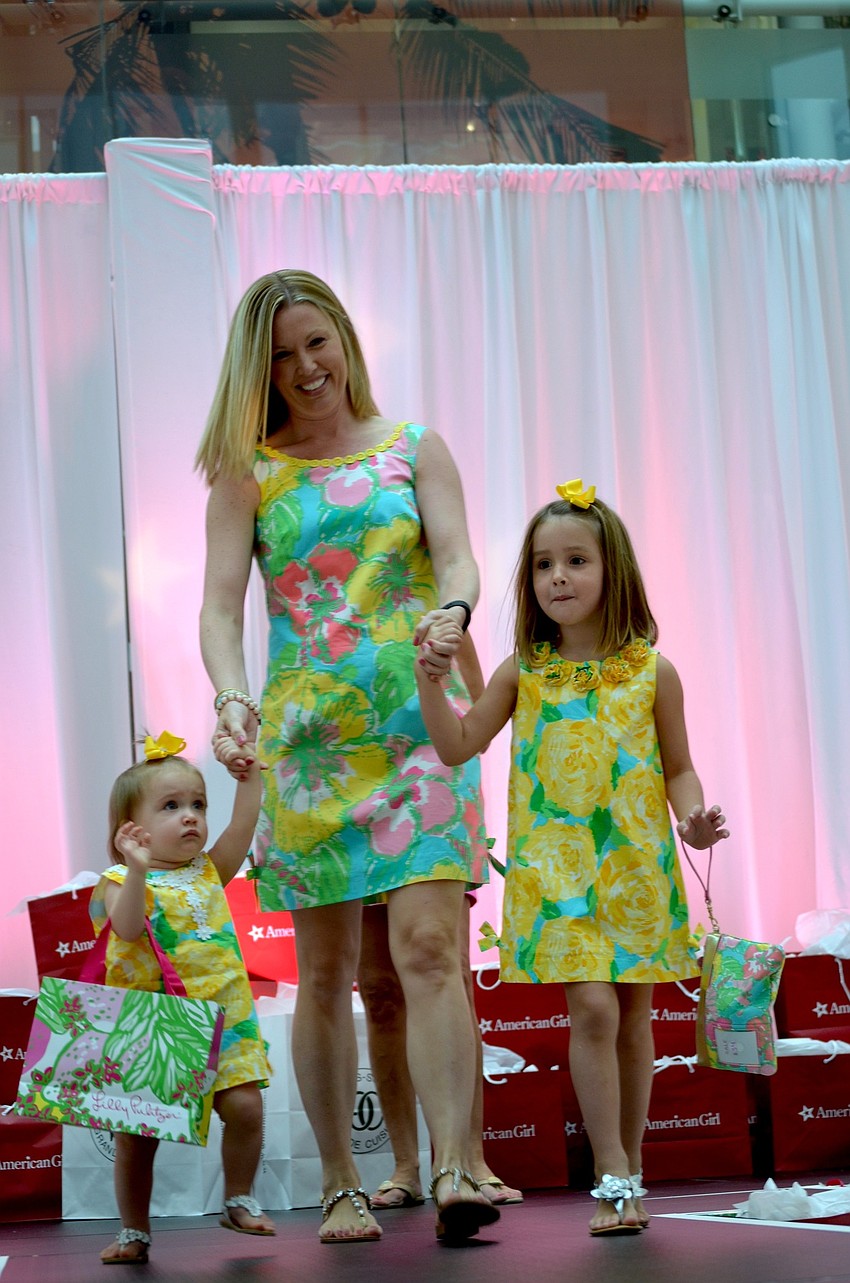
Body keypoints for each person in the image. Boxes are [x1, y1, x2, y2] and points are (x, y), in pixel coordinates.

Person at [195, 269, 499, 1245]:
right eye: (281, 356)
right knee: (323, 973)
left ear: (345, 341)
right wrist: (233, 696)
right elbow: (216, 605)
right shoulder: (250, 469)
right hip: (308, 744)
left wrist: (452, 613)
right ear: (260, 369)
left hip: (419, 724)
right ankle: (338, 1180)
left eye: (316, 343)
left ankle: (455, 1164)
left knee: (426, 949)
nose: (305, 368)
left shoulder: (416, 447)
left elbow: (456, 557)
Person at [415, 480, 729, 1237]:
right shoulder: (524, 671)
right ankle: (612, 1171)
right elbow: (459, 743)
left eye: (576, 560)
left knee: (633, 1016)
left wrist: (693, 818)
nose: (558, 577)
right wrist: (431, 685)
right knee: (591, 1006)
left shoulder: (654, 670)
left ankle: (633, 1167)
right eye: (543, 565)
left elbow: (678, 765)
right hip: (557, 874)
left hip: (634, 867)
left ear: (611, 569)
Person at [89, 733, 274, 1266]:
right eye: (171, 806)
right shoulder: (119, 879)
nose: (190, 816)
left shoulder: (210, 870)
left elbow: (243, 826)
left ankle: (237, 1197)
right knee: (137, 1137)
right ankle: (134, 1230)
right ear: (132, 829)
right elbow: (124, 931)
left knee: (244, 1106)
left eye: (197, 804)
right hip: (155, 1026)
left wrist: (251, 776)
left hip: (226, 1018)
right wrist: (139, 868)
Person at [357, 632, 523, 1210]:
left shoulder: (440, 607)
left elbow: (478, 715)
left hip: (430, 782)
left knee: (441, 967)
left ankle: (468, 1158)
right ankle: (405, 1163)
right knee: (378, 990)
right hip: (345, 776)